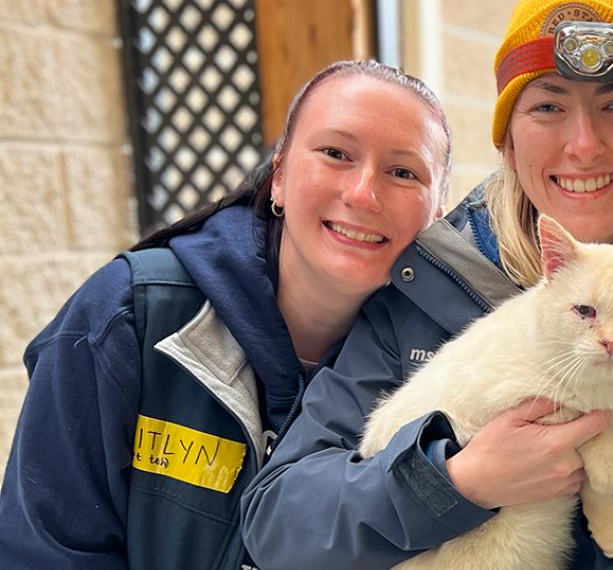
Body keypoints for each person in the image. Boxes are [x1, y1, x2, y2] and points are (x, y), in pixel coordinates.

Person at [241, 0, 613, 568]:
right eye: (547, 106)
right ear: (509, 141)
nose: (582, 144)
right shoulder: (417, 291)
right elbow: (280, 525)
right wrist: (450, 482)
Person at [0, 60, 453, 570]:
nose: (363, 193)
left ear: (437, 214)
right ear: (279, 177)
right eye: (335, 153)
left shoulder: (444, 364)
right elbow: (43, 552)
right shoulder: (129, 314)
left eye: (402, 172)